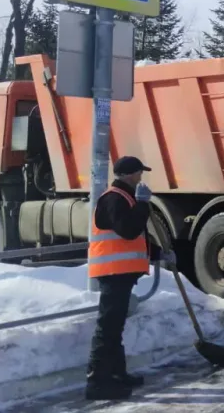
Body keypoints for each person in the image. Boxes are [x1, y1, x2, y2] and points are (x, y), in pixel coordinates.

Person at [85, 156, 176, 400]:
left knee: (115, 327)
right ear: (128, 175)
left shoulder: (126, 198)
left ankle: (116, 373)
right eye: (138, 173)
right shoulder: (114, 199)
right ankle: (97, 382)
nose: (140, 178)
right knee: (108, 328)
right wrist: (143, 205)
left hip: (121, 273)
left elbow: (135, 239)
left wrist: (159, 253)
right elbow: (128, 230)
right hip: (113, 273)